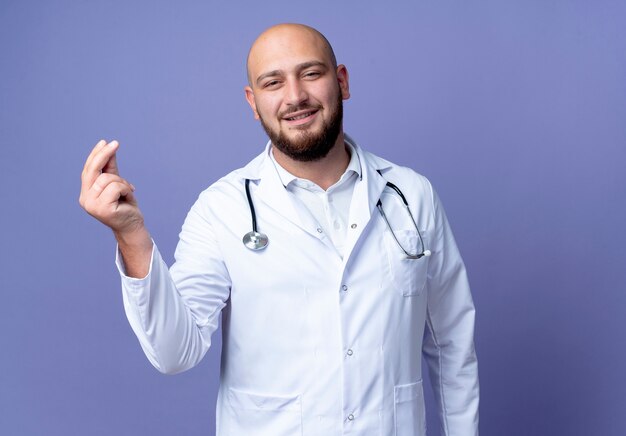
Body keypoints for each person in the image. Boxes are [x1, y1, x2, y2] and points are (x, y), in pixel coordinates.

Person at [79, 23, 479, 436]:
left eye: (311, 73)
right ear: (253, 102)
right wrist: (131, 236)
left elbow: (452, 344)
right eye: (273, 82)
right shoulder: (222, 208)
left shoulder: (412, 196)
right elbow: (174, 352)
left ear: (341, 82)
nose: (295, 96)